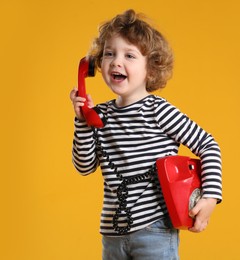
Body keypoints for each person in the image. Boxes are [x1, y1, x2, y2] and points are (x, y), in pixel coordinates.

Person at [70, 9, 222, 259]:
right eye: (109, 53)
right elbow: (84, 166)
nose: (117, 61)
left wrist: (211, 195)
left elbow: (208, 144)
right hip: (112, 233)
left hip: (155, 230)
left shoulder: (158, 111)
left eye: (129, 55)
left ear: (151, 69)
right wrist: (82, 119)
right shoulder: (98, 116)